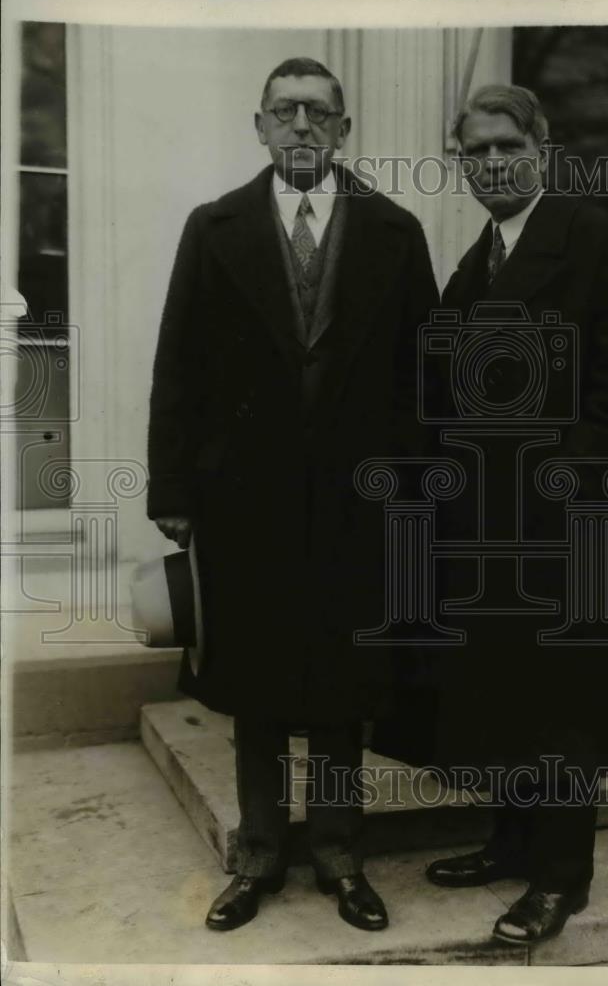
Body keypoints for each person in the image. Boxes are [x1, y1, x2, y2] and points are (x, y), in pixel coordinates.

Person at [374, 83, 608, 946]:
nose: (493, 163)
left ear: (542, 150)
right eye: (476, 151)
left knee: (565, 705)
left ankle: (560, 876)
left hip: (566, 525)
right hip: (485, 526)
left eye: (508, 146)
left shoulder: (600, 245)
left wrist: (562, 477)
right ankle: (510, 841)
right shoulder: (477, 261)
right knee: (503, 691)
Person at [146, 57, 439, 933]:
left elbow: (422, 375)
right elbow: (178, 365)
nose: (301, 126)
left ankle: (340, 854)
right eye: (285, 111)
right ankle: (260, 853)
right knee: (259, 681)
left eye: (318, 112)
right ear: (260, 126)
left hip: (359, 500)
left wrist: (415, 492)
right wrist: (172, 487)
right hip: (246, 500)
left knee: (346, 680)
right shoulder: (214, 227)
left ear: (344, 129)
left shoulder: (394, 230)